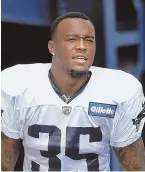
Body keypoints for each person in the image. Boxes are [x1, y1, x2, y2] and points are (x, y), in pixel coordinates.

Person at [1, 12, 145, 171]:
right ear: (52, 47)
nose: (82, 46)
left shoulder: (120, 89)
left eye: (89, 40)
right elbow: (4, 162)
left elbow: (134, 167)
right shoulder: (17, 84)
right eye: (72, 39)